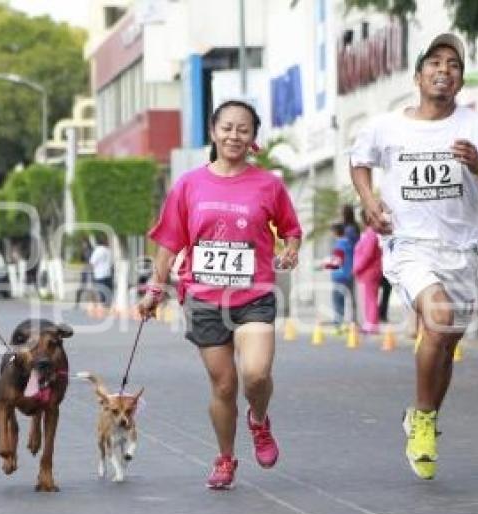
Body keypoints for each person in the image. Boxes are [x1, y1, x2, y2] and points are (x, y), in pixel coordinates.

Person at [349, 33, 478, 480]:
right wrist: (368, 200)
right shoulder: (387, 126)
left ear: (461, 81)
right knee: (438, 317)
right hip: (409, 246)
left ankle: (424, 415)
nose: (444, 70)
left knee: (445, 345)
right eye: (435, 62)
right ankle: (423, 422)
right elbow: (359, 159)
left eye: (454, 65)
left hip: (461, 250)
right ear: (418, 75)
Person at [138, 99, 302, 490]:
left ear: (253, 138)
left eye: (243, 129)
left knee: (256, 375)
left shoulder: (269, 184)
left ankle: (259, 421)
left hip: (254, 297)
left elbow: (291, 229)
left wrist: (291, 248)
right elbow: (170, 242)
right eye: (227, 127)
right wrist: (155, 289)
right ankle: (225, 457)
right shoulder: (189, 185)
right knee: (224, 385)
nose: (234, 135)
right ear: (213, 132)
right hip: (205, 299)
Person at [353, 211, 383, 334]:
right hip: (365, 271)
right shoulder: (368, 233)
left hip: (369, 271)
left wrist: (357, 268)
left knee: (370, 298)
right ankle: (368, 322)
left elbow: (367, 254)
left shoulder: (371, 233)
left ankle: (372, 324)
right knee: (367, 298)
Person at [321, 223, 354, 331]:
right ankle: (351, 323)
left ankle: (338, 324)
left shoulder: (339, 245)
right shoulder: (349, 243)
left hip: (339, 276)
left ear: (335, 232)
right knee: (348, 300)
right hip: (348, 275)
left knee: (338, 301)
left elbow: (337, 263)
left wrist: (325, 265)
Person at [89, 235, 114, 307]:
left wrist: (91, 273)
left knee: (101, 292)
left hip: (99, 275)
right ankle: (107, 307)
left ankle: (103, 308)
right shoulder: (108, 251)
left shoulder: (97, 251)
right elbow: (111, 263)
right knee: (108, 292)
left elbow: (92, 263)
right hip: (108, 274)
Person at [73, 237, 94, 306]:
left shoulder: (90, 251)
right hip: (85, 271)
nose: (83, 245)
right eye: (82, 244)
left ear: (87, 243)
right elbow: (82, 260)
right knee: (82, 287)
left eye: (84, 243)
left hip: (90, 271)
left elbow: (91, 262)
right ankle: (77, 303)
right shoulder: (84, 251)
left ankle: (92, 304)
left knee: (91, 288)